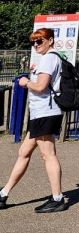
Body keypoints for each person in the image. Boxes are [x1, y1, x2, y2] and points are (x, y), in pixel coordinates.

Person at [0, 28, 67, 213]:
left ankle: (57, 198)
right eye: (33, 42)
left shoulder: (49, 58)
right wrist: (34, 73)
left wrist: (25, 82)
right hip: (41, 113)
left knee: (48, 155)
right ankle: (4, 193)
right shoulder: (53, 58)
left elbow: (41, 86)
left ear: (50, 40)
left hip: (45, 112)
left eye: (40, 41)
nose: (36, 45)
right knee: (24, 152)